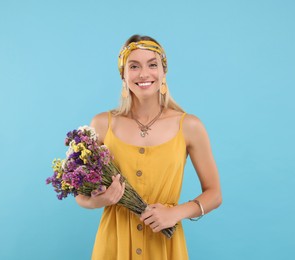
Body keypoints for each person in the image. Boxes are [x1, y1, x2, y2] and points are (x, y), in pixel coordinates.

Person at [75, 34, 222, 259]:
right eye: (134, 66)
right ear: (123, 75)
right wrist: (100, 200)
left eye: (152, 65)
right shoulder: (102, 124)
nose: (144, 74)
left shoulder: (189, 126)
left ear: (163, 72)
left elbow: (214, 194)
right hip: (114, 245)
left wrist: (175, 213)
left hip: (164, 245)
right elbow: (80, 194)